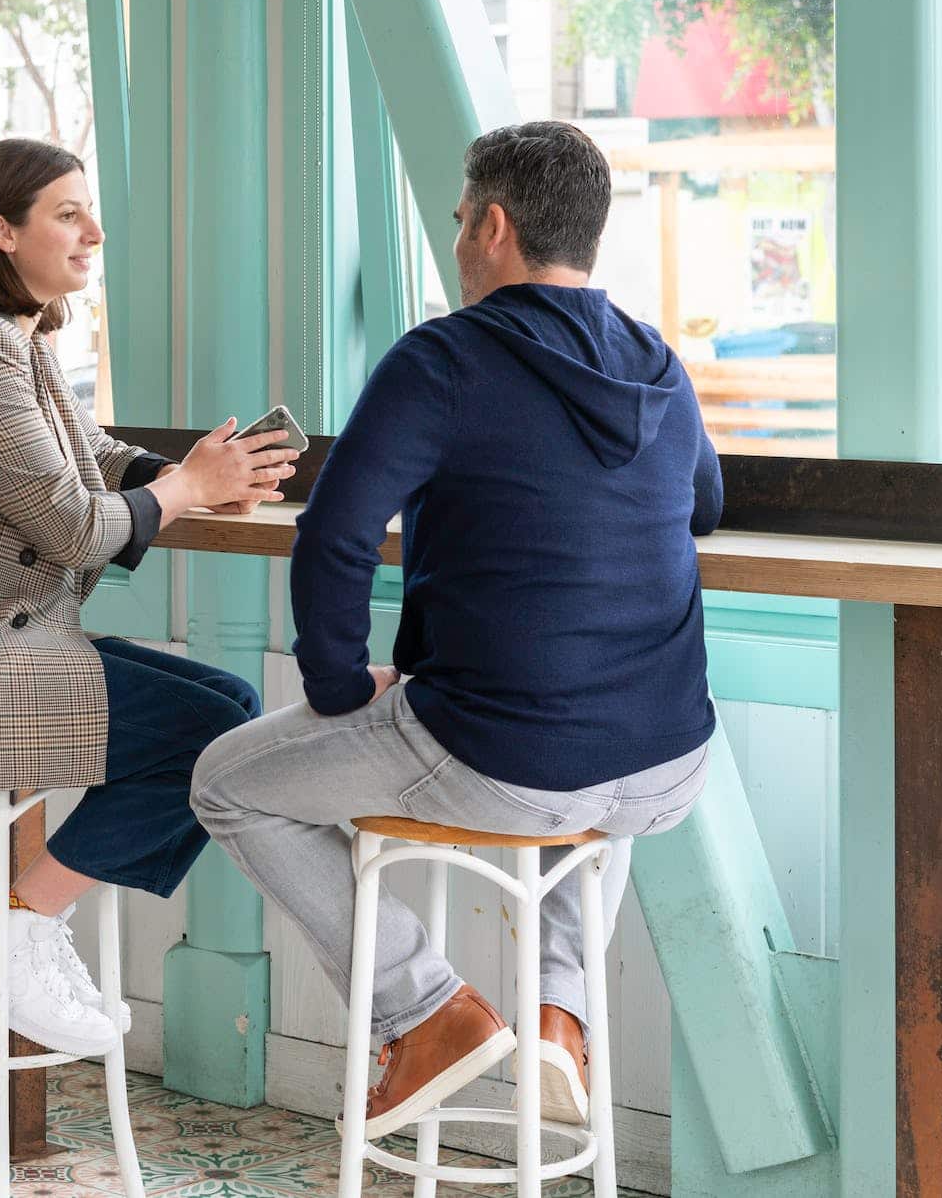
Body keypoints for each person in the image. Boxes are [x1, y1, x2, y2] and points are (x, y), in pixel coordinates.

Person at [190, 120, 718, 1134]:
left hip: (503, 758)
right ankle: (558, 1018)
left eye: (456, 220)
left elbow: (335, 535)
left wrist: (341, 689)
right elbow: (703, 503)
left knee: (225, 782)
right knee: (589, 773)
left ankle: (423, 1011)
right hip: (667, 765)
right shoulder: (653, 361)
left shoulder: (443, 356)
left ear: (491, 224)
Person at [0, 136, 300, 1057]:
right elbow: (72, 525)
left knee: (231, 710)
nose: (94, 233)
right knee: (213, 740)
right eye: (67, 214)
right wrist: (186, 490)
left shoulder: (14, 339)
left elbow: (88, 452)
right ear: (0, 231)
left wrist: (193, 473)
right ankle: (12, 934)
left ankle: (23, 930)